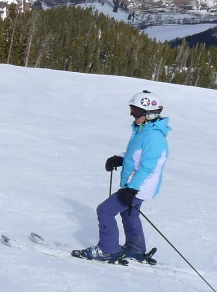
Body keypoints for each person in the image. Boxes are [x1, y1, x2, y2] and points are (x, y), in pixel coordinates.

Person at [73, 90, 170, 263]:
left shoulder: (154, 137)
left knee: (105, 211)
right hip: (135, 184)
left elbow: (147, 167)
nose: (133, 114)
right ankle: (136, 249)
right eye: (132, 109)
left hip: (139, 185)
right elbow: (136, 155)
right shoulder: (143, 130)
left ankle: (107, 250)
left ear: (150, 114)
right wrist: (120, 159)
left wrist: (132, 189)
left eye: (137, 111)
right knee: (129, 214)